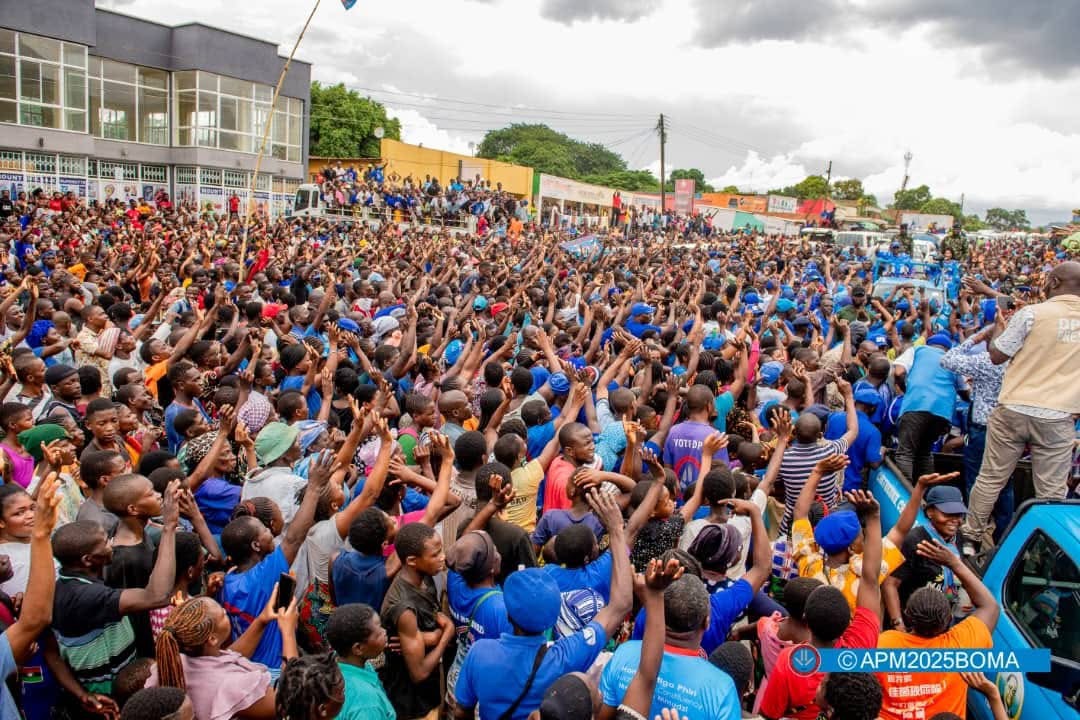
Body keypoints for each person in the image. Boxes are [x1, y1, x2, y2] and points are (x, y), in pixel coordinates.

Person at [454, 490, 633, 720]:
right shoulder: (564, 656)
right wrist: (616, 530)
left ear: (508, 615)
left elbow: (462, 710)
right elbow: (621, 605)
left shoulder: (480, 653)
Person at [965, 261, 1080, 549]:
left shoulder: (1032, 314)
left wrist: (997, 334)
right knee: (1051, 493)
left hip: (1014, 409)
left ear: (1054, 283)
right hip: (1058, 416)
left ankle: (970, 537)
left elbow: (996, 356)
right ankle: (1046, 549)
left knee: (991, 478)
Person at [46, 480, 180, 716]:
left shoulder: (68, 584)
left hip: (98, 694)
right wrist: (169, 527)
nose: (112, 544)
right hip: (111, 701)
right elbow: (157, 596)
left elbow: (51, 652)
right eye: (106, 543)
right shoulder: (84, 596)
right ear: (88, 560)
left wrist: (81, 694)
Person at [876, 536, 999, 720]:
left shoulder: (883, 644)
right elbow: (990, 606)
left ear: (908, 615)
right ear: (948, 619)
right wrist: (954, 564)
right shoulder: (961, 648)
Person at [894, 334, 966, 483]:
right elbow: (965, 390)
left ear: (928, 344)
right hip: (943, 412)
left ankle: (906, 494)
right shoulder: (952, 358)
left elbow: (898, 372)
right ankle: (926, 493)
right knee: (924, 453)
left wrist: (906, 389)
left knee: (905, 453)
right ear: (947, 348)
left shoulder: (918, 350)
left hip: (917, 404)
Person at [325, 603, 395, 720]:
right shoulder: (366, 704)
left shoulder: (346, 662)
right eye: (378, 634)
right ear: (358, 648)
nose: (384, 632)